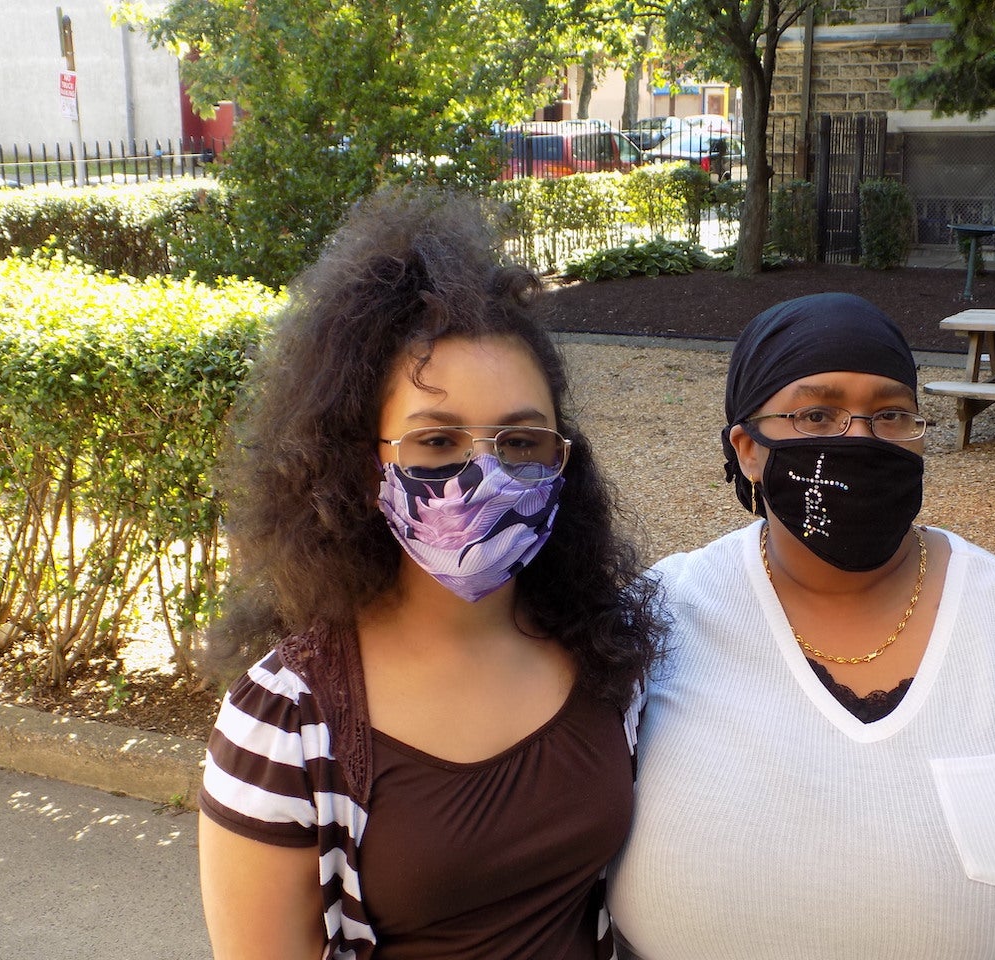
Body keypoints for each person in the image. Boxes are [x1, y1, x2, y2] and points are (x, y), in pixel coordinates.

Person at [608, 292, 995, 960]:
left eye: (890, 415)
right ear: (748, 449)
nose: (859, 439)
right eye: (816, 413)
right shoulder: (659, 617)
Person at [196, 189, 662, 960]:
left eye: (520, 442)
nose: (484, 476)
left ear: (563, 461)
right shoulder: (284, 721)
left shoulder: (609, 657)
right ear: (356, 462)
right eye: (437, 442)